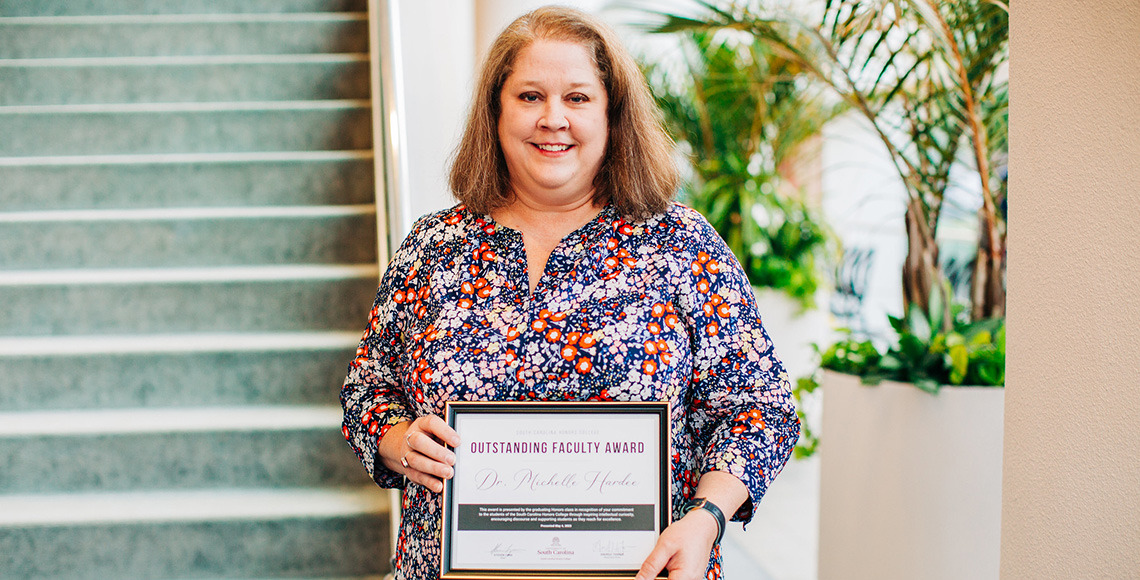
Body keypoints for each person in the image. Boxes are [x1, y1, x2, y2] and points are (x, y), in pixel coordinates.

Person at [341, 6, 799, 580]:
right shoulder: (432, 247)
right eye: (530, 96)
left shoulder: (681, 246)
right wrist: (399, 439)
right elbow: (367, 391)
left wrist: (707, 518)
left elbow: (763, 408)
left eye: (577, 98)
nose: (552, 119)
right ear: (495, 112)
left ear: (612, 114)